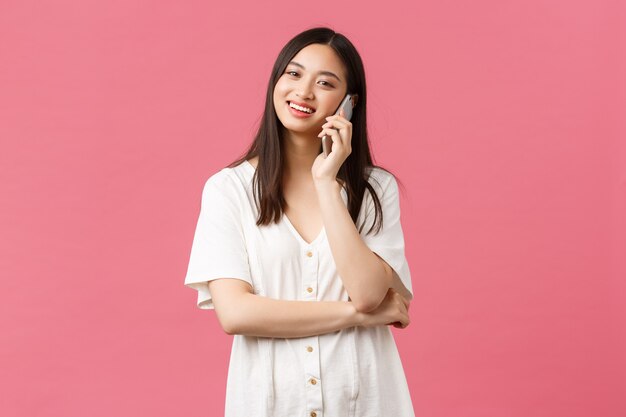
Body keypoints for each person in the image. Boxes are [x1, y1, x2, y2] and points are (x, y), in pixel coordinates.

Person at [184, 26, 415, 417]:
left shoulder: (376, 188)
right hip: (271, 404)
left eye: (325, 83)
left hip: (367, 403)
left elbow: (368, 293)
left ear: (348, 103)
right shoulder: (229, 189)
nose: (303, 92)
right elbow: (236, 314)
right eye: (293, 74)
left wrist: (327, 182)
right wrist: (357, 317)